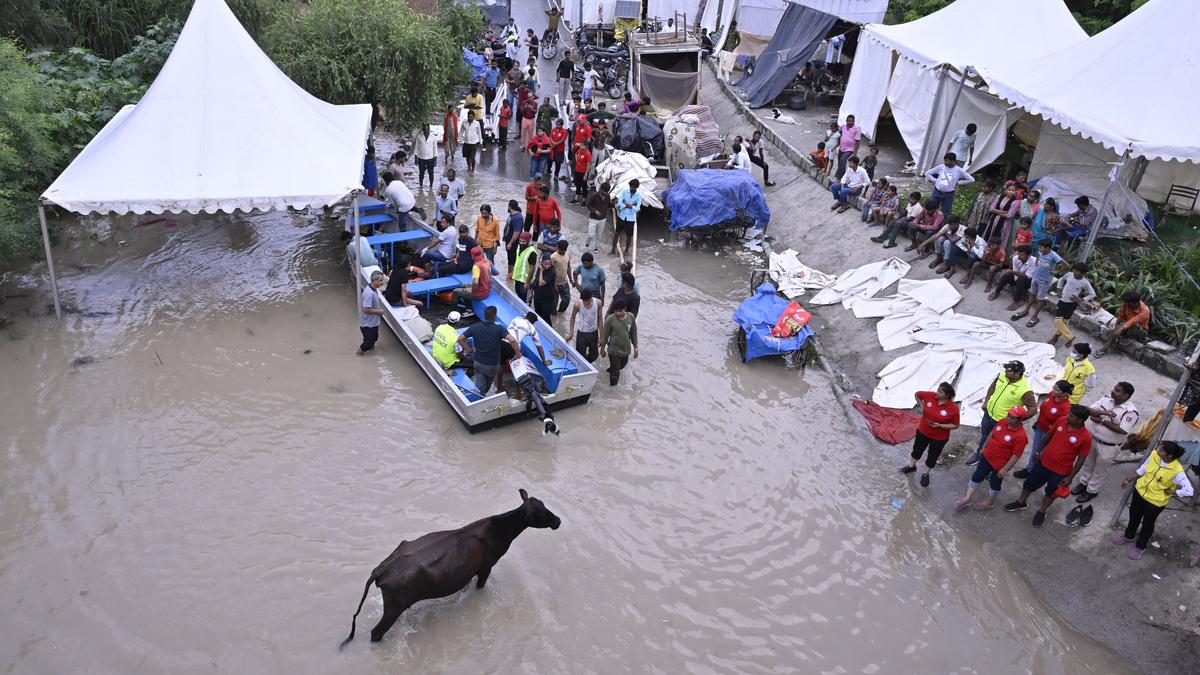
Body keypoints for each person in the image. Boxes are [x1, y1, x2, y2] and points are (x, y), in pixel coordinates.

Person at [1003, 405, 1093, 529]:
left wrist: (1070, 477)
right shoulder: (1062, 421)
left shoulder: (1086, 437)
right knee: (1029, 484)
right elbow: (1048, 436)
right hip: (1043, 463)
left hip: (1061, 471)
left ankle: (1042, 511)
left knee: (1051, 493)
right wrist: (1038, 451)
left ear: (1080, 420)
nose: (1068, 416)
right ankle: (1021, 502)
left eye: (1071, 416)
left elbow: (1081, 459)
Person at [1115, 441, 1194, 559]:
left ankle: (1140, 546)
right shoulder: (1154, 455)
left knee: (1147, 523)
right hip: (1140, 492)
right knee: (1134, 515)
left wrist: (1172, 491)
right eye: (1158, 448)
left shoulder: (1177, 471)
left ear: (1170, 456)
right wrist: (1129, 479)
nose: (1157, 451)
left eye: (1161, 450)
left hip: (1155, 502)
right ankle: (1128, 535)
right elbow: (1143, 469)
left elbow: (1189, 491)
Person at [1071, 381, 1139, 503]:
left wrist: (1102, 421)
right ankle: (1083, 483)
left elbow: (1122, 430)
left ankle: (1091, 491)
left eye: (1118, 390)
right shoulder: (1107, 399)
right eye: (1115, 388)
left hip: (1109, 446)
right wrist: (1104, 415)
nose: (1113, 391)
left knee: (1100, 469)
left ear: (1125, 396)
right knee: (1088, 463)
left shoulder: (1130, 412)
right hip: (1092, 439)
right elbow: (1089, 411)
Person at [955, 406, 1028, 511]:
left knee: (995, 482)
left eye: (1013, 418)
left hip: (1000, 464)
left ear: (1020, 420)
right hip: (987, 456)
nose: (1009, 419)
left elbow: (1016, 455)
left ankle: (990, 501)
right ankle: (967, 498)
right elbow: (992, 433)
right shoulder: (1003, 422)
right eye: (1009, 416)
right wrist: (984, 447)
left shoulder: (1021, 436)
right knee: (977, 475)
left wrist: (1005, 469)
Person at [967, 360, 1036, 466]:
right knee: (985, 436)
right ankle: (979, 455)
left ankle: (993, 465)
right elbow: (992, 387)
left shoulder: (1025, 390)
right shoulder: (1002, 375)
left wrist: (1017, 420)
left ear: (1017, 373)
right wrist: (986, 402)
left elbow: (1033, 409)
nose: (1006, 371)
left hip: (1002, 421)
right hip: (989, 414)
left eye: (1009, 370)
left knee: (999, 444)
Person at [899, 383, 960, 487]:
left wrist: (940, 426)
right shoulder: (930, 396)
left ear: (947, 395)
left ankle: (925, 473)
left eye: (940, 392)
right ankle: (911, 466)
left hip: (939, 438)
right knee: (917, 450)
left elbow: (955, 425)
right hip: (923, 431)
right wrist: (922, 407)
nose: (937, 392)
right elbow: (917, 394)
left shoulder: (953, 408)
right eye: (938, 390)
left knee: (933, 456)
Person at [1012, 380, 1074, 480]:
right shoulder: (1051, 395)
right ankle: (1030, 469)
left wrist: (1051, 433)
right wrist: (1038, 422)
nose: (1053, 390)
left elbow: (1062, 425)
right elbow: (1044, 411)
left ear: (1064, 393)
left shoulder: (1065, 408)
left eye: (1056, 389)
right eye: (1054, 387)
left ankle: (1035, 473)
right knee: (1035, 450)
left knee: (1041, 454)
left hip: (1049, 434)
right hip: (1040, 428)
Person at [458, 306, 519, 396]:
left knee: (480, 384)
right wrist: (518, 353)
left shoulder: (475, 327)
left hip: (478, 362)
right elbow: (513, 340)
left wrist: (470, 350)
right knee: (487, 385)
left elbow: (460, 339)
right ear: (494, 316)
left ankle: (479, 396)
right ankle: (481, 395)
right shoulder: (499, 329)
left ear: (484, 315)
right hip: (492, 365)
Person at [1011, 238, 1062, 327]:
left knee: (1040, 299)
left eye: (1041, 247)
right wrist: (1038, 262)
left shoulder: (1054, 255)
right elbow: (1039, 258)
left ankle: (1035, 317)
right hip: (1036, 277)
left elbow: (1067, 265)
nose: (1039, 249)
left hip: (1045, 280)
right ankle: (1026, 311)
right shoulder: (1040, 252)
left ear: (1047, 248)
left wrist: (1056, 272)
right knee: (1032, 294)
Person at [1097, 291, 1150, 356]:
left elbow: (1133, 321)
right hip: (1127, 326)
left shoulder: (1145, 310)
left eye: (1127, 303)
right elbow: (1121, 317)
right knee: (1117, 330)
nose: (1125, 304)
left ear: (1134, 303)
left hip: (1140, 331)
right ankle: (1104, 348)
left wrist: (1119, 330)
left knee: (1132, 324)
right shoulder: (1126, 305)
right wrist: (1116, 328)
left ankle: (1130, 337)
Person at [923, 152, 974, 216]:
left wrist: (958, 182)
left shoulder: (959, 170)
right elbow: (927, 173)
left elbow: (971, 179)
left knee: (945, 212)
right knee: (931, 209)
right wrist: (935, 180)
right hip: (937, 192)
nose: (945, 163)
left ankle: (941, 224)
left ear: (953, 161)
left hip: (949, 195)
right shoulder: (941, 167)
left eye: (947, 161)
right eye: (944, 161)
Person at [601, 299, 638, 386]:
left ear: (625, 309)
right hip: (613, 351)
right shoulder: (610, 319)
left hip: (625, 350)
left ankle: (610, 370)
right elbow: (605, 336)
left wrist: (636, 348)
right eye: (616, 311)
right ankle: (612, 391)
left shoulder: (631, 317)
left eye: (620, 311)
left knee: (621, 366)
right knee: (616, 374)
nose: (617, 313)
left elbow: (634, 333)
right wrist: (602, 349)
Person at [569, 288, 602, 363]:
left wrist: (601, 337)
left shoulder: (598, 303)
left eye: (588, 301)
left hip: (594, 333)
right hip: (582, 334)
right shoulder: (577, 304)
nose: (586, 303)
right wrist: (571, 332)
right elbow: (572, 318)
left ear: (591, 298)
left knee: (594, 356)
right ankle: (582, 367)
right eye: (584, 301)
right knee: (579, 356)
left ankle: (585, 364)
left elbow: (600, 319)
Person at [613, 179, 642, 258]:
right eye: (631, 186)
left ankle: (626, 250)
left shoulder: (639, 196)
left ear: (637, 187)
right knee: (617, 233)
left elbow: (638, 208)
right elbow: (619, 203)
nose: (632, 188)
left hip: (631, 218)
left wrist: (627, 204)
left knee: (629, 236)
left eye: (634, 187)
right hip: (622, 216)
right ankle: (613, 249)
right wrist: (631, 206)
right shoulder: (625, 192)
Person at [511, 231, 539, 299]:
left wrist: (527, 282)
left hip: (525, 279)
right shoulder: (518, 246)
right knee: (517, 292)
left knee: (523, 297)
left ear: (528, 241)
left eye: (523, 242)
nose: (521, 243)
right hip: (518, 276)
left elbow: (532, 268)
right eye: (520, 241)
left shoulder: (532, 252)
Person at [531, 257, 558, 323]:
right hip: (538, 296)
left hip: (547, 299)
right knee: (537, 315)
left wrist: (541, 271)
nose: (547, 266)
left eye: (549, 264)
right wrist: (531, 292)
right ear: (542, 263)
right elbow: (536, 281)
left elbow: (541, 283)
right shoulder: (540, 268)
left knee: (546, 317)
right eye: (545, 264)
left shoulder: (552, 272)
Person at [585, 181, 610, 251]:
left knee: (599, 235)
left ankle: (596, 248)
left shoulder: (608, 196)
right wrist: (595, 211)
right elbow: (588, 205)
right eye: (605, 191)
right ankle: (587, 244)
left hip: (603, 219)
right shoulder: (594, 196)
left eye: (607, 192)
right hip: (593, 218)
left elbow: (609, 205)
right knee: (590, 234)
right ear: (601, 189)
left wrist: (615, 204)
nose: (606, 193)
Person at [550, 239, 573, 313]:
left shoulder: (568, 254)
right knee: (553, 303)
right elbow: (551, 272)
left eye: (565, 250)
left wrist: (571, 279)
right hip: (554, 283)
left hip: (564, 282)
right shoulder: (553, 257)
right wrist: (554, 284)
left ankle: (560, 313)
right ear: (557, 247)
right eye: (562, 250)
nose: (563, 252)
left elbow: (568, 266)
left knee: (567, 299)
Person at [412, 124, 438, 190]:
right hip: (421, 158)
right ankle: (421, 186)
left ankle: (431, 186)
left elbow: (435, 149)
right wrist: (416, 158)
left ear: (429, 129)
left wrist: (435, 160)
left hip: (430, 158)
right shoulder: (419, 137)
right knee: (421, 173)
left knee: (431, 173)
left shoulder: (433, 137)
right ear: (422, 130)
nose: (425, 131)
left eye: (427, 129)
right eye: (424, 129)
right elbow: (416, 148)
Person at [836, 114, 861, 180]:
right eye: (849, 121)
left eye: (851, 121)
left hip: (850, 149)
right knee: (839, 161)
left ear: (854, 121)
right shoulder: (843, 126)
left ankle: (841, 177)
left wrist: (855, 153)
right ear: (846, 120)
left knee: (843, 159)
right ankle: (838, 175)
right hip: (842, 147)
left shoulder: (857, 129)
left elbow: (857, 141)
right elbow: (840, 133)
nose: (850, 122)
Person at [571, 140, 593, 204]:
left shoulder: (587, 154)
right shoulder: (579, 151)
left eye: (582, 145)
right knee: (578, 185)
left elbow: (588, 165)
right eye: (580, 145)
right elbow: (576, 153)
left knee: (584, 186)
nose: (580, 146)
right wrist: (577, 161)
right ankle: (576, 198)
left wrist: (586, 175)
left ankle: (584, 200)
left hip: (583, 172)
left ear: (586, 146)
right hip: (577, 170)